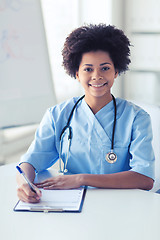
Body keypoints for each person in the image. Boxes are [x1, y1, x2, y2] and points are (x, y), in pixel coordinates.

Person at [16, 24, 155, 203]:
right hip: (71, 204)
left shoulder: (137, 118)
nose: (97, 76)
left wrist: (81, 179)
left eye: (105, 68)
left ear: (116, 72)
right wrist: (23, 183)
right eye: (88, 69)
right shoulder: (57, 115)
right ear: (76, 73)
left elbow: (145, 179)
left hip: (122, 204)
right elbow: (30, 162)